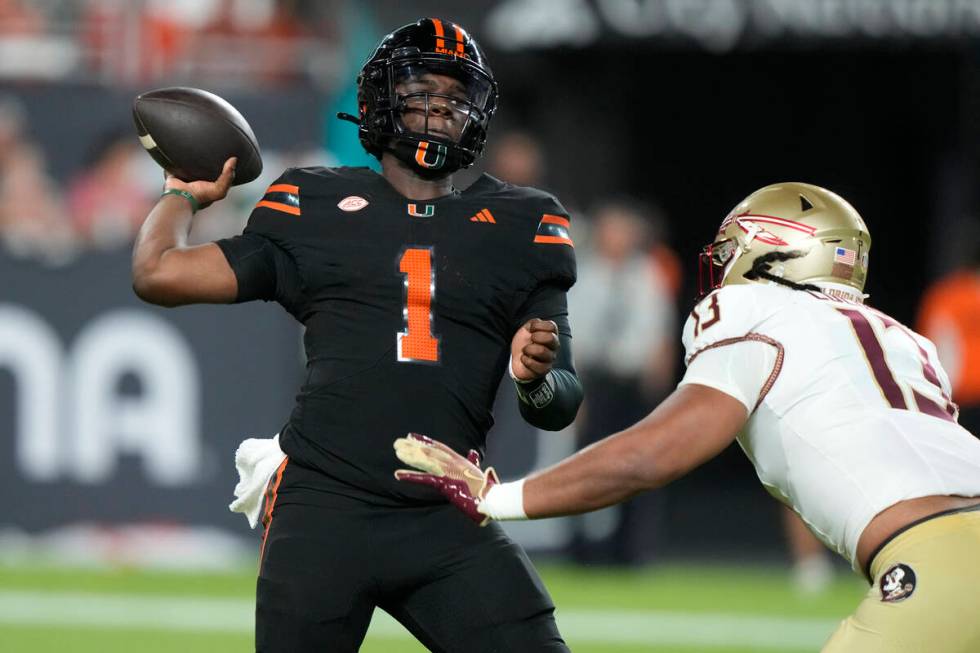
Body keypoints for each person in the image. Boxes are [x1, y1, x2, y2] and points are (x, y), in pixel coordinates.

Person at [131, 17, 581, 653]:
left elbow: (561, 402)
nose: (440, 110)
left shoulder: (525, 221)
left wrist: (534, 378)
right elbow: (157, 273)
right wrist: (183, 195)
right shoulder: (308, 202)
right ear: (380, 103)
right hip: (325, 508)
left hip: (446, 514)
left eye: (455, 98)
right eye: (422, 92)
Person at [394, 182, 980, 653]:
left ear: (777, 251)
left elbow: (655, 454)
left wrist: (497, 498)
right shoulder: (905, 341)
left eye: (733, 253)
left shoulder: (752, 305)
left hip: (941, 564)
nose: (723, 270)